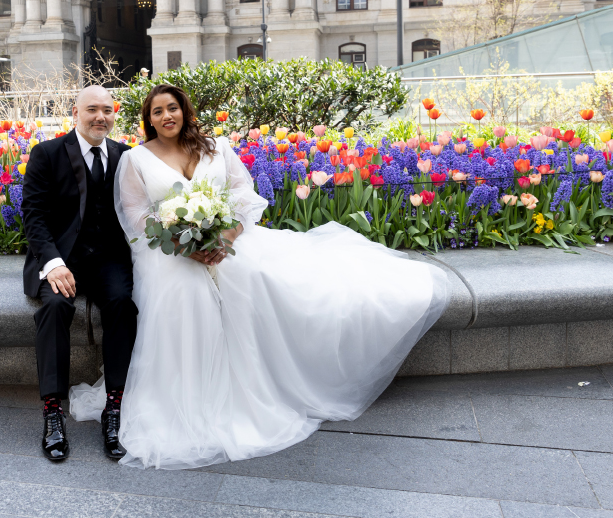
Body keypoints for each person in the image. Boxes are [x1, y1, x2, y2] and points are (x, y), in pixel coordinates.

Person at [68, 84, 449, 469]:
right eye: (157, 112)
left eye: (172, 108)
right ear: (147, 120)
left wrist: (224, 235)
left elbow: (243, 193)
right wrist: (185, 244)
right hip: (168, 252)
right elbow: (136, 216)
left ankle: (276, 379)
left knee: (259, 277)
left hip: (227, 240)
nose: (166, 116)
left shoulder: (216, 147)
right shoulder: (136, 159)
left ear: (185, 110)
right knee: (185, 290)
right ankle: (192, 401)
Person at [21, 86, 138, 462]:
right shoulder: (47, 153)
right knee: (54, 307)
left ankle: (114, 408)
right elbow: (34, 216)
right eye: (92, 110)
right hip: (62, 257)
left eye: (107, 110)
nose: (100, 117)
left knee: (122, 303)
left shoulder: (126, 157)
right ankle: (52, 412)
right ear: (76, 112)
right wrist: (53, 263)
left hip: (108, 260)